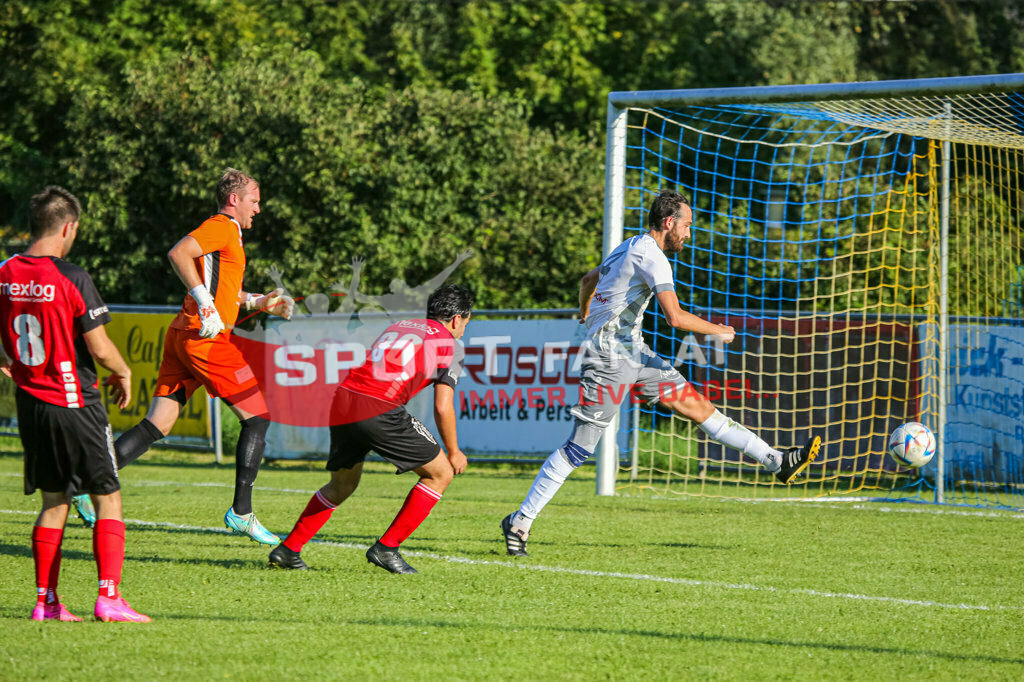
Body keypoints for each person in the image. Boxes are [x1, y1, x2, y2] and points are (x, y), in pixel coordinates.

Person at [500, 189, 821, 557]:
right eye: (686, 226)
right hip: (607, 360)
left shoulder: (628, 245)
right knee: (580, 447)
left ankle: (776, 461)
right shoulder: (653, 257)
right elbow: (675, 318)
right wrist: (720, 331)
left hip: (636, 355)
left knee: (700, 409)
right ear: (669, 222)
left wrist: (583, 312)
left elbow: (588, 279)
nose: (688, 234)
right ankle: (520, 522)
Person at [113, 169, 293, 545]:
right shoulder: (223, 226)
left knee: (156, 425)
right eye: (254, 201)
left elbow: (224, 288)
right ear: (234, 200)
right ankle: (241, 513)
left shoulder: (229, 233)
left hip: (185, 332)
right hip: (204, 339)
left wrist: (260, 302)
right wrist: (207, 304)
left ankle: (87, 481)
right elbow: (178, 252)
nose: (258, 209)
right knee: (258, 420)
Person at [0, 186, 150, 622]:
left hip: (31, 405)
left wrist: (8, 362)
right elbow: (100, 348)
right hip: (74, 403)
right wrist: (123, 371)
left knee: (54, 501)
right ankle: (109, 597)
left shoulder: (5, 273)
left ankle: (46, 603)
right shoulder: (71, 276)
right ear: (68, 227)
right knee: (108, 495)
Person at [268, 284, 473, 574]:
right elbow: (443, 406)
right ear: (457, 319)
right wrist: (454, 451)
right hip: (379, 406)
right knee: (440, 473)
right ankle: (387, 548)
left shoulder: (401, 325)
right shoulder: (452, 345)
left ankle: (289, 550)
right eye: (467, 321)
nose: (464, 328)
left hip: (344, 398)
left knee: (342, 484)